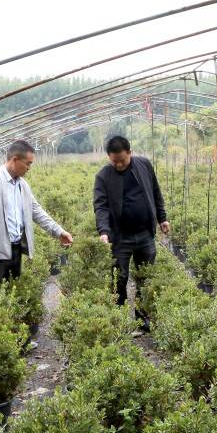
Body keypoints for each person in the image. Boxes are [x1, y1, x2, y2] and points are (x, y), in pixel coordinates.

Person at [93, 135, 169, 327]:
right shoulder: (103, 176)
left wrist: (162, 218)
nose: (118, 165)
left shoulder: (143, 165)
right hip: (120, 237)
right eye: (114, 161)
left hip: (145, 233)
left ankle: (144, 316)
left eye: (122, 160)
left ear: (130, 153)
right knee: (119, 278)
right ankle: (119, 320)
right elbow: (100, 206)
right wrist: (104, 230)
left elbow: (155, 192)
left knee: (146, 276)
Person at [0, 139, 73, 285]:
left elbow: (37, 211)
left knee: (14, 294)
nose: (29, 168)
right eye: (28, 163)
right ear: (15, 160)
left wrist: (59, 231)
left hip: (15, 250)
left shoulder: (23, 185)